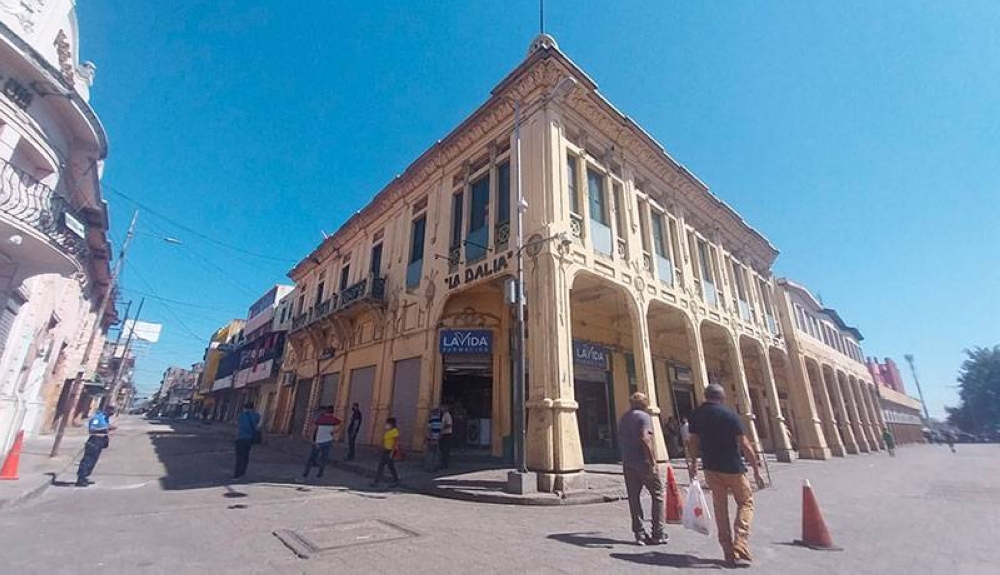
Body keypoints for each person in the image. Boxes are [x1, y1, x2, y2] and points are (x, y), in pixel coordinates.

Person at [687, 384, 766, 568]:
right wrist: (755, 469)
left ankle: (728, 553)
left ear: (705, 396)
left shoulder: (697, 414)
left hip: (711, 468)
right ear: (722, 398)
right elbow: (744, 444)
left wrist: (693, 464)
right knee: (746, 502)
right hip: (733, 467)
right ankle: (741, 540)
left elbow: (693, 441)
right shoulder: (730, 414)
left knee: (720, 509)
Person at [618, 392, 667, 546]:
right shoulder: (644, 417)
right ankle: (658, 532)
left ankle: (639, 534)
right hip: (643, 462)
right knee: (657, 495)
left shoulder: (624, 418)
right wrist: (652, 461)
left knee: (634, 498)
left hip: (628, 462)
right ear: (644, 403)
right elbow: (646, 439)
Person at [76, 405, 117, 487]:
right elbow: (92, 429)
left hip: (100, 441)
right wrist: (106, 428)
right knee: (88, 460)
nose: (112, 413)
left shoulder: (105, 418)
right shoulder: (97, 418)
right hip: (94, 440)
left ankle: (85, 477)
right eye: (111, 411)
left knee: (93, 461)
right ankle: (80, 479)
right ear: (106, 410)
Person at [303, 406, 340, 478]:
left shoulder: (319, 420)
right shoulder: (335, 420)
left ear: (326, 412)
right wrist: (333, 432)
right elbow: (338, 428)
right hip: (328, 441)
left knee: (312, 457)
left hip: (318, 441)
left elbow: (313, 429)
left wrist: (312, 440)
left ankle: (306, 472)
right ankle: (320, 473)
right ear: (333, 412)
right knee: (324, 458)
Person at [233, 402, 261, 479]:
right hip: (249, 439)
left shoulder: (241, 415)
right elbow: (257, 420)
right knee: (246, 455)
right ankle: (243, 471)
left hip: (240, 438)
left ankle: (237, 473)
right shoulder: (256, 415)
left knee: (239, 457)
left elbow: (238, 424)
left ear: (245, 408)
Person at [371, 417, 400, 487]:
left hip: (391, 450)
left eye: (388, 423)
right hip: (385, 450)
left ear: (392, 424)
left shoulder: (395, 431)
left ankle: (395, 479)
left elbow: (395, 442)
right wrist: (379, 448)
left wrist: (392, 452)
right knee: (381, 465)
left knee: (390, 466)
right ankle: (377, 481)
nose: (386, 425)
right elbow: (384, 441)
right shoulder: (387, 431)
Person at [438, 403, 454, 470]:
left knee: (445, 450)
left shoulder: (447, 415)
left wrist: (442, 429)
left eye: (442, 407)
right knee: (442, 450)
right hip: (444, 434)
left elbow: (449, 425)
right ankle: (443, 464)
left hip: (446, 434)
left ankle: (444, 464)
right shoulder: (444, 415)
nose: (441, 409)